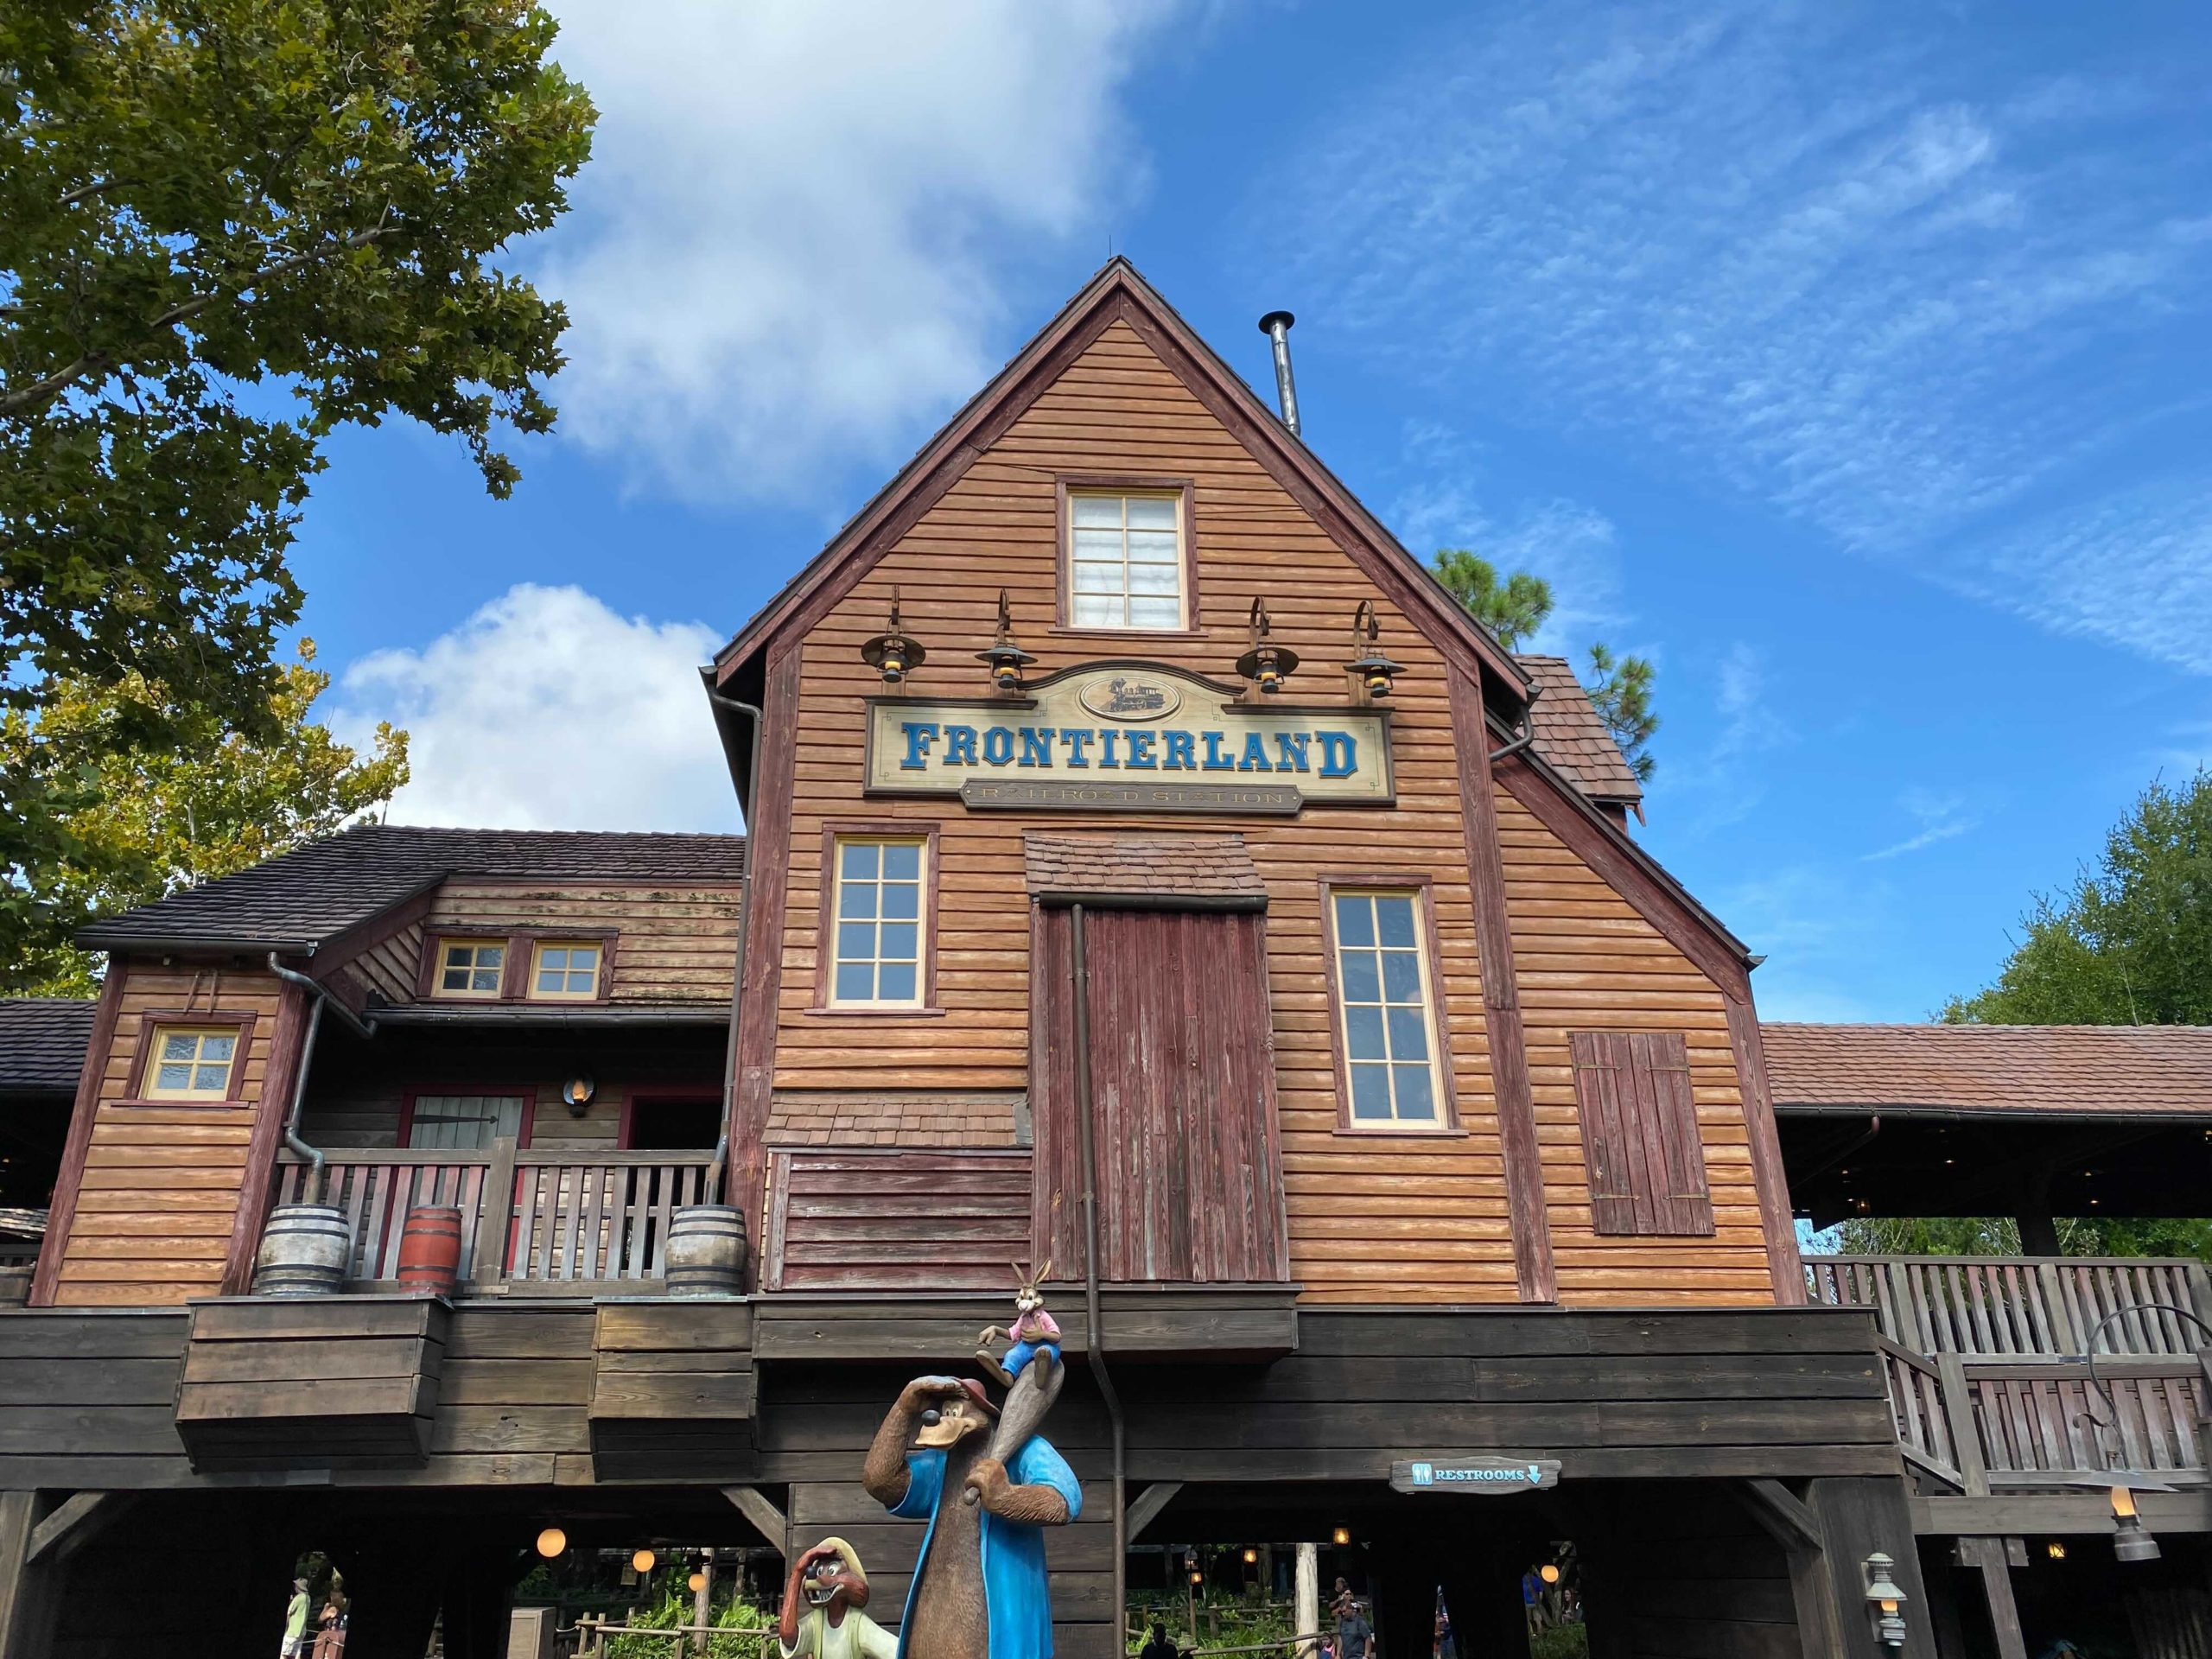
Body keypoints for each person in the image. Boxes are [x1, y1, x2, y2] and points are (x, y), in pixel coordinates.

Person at [779, 1537, 896, 1659]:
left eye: (831, 1570)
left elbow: (895, 1650)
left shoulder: (857, 1624)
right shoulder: (817, 1621)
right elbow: (788, 1636)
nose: (820, 1578)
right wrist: (798, 1572)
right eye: (818, 1571)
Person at [281, 1577, 310, 1659]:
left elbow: (288, 1613)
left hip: (293, 1631)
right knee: (296, 1655)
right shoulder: (308, 1598)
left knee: (283, 1653)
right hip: (302, 1631)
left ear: (298, 1587)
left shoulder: (299, 1598)